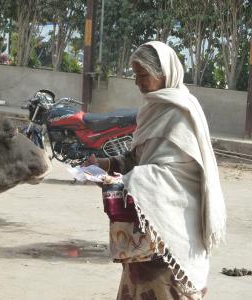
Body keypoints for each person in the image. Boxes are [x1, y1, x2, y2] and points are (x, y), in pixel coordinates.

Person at [86, 41, 226, 299]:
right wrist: (107, 165)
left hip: (173, 226)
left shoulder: (181, 112)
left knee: (163, 287)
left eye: (142, 75)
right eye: (135, 75)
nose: (137, 82)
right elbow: (138, 156)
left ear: (164, 74)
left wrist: (121, 181)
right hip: (145, 230)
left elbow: (171, 176)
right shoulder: (152, 108)